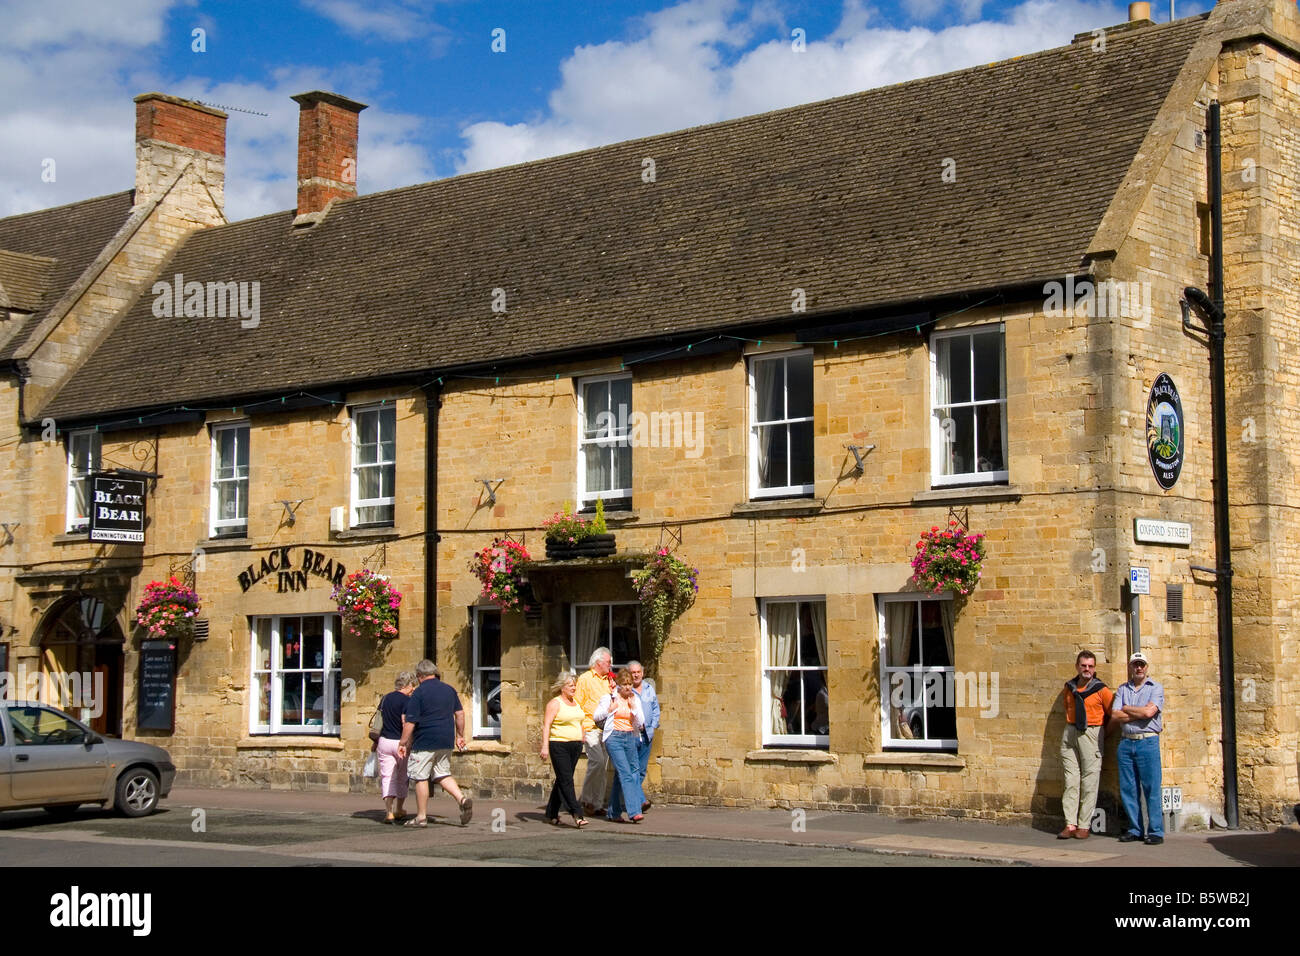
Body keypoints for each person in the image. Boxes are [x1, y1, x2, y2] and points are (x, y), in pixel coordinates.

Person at [397, 659, 473, 828]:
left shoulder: (419, 693)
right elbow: (459, 714)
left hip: (425, 740)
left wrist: (403, 742)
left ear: (419, 676)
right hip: (445, 739)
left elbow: (410, 722)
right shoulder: (449, 690)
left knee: (420, 776)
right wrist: (459, 735)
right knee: (442, 773)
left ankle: (421, 817)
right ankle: (462, 799)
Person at [1058, 650, 1114, 840]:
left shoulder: (1101, 690)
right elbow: (1067, 707)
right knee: (1071, 781)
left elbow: (1113, 713)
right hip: (1070, 731)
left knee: (1089, 781)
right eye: (1083, 665)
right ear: (1077, 666)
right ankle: (1070, 824)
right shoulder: (1069, 687)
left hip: (1091, 732)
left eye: (1090, 666)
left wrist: (1103, 733)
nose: (1087, 669)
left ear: (1095, 668)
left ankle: (1084, 825)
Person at [1112, 651, 1165, 845]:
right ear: (1130, 667)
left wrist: (1127, 708)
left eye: (1142, 664)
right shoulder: (1122, 689)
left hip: (1147, 742)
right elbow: (1115, 715)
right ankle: (1135, 829)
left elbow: (1150, 711)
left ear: (1147, 667)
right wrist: (1140, 713)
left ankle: (1156, 831)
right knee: (1128, 788)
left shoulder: (1155, 688)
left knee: (1151, 788)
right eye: (1135, 665)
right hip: (1126, 742)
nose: (1139, 668)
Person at [595, 668, 646, 823]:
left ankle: (613, 812)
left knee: (628, 773)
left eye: (630, 684)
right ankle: (634, 811)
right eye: (624, 684)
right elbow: (596, 716)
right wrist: (609, 710)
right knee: (626, 773)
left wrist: (634, 708)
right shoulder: (609, 698)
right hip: (614, 737)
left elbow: (641, 722)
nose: (627, 687)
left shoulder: (634, 699)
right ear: (618, 684)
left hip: (630, 736)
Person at [540, 670, 587, 828]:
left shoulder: (576, 703)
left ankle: (551, 813)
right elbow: (546, 725)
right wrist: (545, 746)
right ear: (562, 687)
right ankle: (577, 813)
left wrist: (582, 735)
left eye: (574, 685)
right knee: (567, 780)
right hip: (558, 745)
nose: (574, 688)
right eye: (570, 685)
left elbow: (580, 721)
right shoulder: (554, 703)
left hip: (575, 745)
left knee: (562, 779)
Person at [576, 646, 616, 815]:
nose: (610, 665)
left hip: (606, 729)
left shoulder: (608, 681)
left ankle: (597, 804)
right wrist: (580, 730)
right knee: (597, 762)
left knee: (603, 766)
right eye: (608, 662)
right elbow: (577, 704)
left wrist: (615, 689)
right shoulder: (585, 679)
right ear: (599, 662)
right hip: (590, 727)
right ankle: (586, 799)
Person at [375, 670, 417, 823]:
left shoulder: (385, 698)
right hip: (400, 742)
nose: (413, 689)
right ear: (407, 684)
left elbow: (379, 721)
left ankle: (389, 812)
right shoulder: (407, 702)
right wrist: (407, 743)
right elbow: (406, 724)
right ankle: (399, 808)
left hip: (384, 741)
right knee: (402, 776)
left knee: (387, 777)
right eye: (413, 686)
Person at [627, 660, 659, 811]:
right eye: (633, 672)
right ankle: (640, 801)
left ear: (642, 673)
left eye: (638, 672)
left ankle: (633, 800)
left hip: (647, 735)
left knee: (641, 771)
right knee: (633, 769)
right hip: (632, 735)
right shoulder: (625, 690)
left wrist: (653, 727)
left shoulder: (649, 689)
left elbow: (655, 709)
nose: (636, 675)